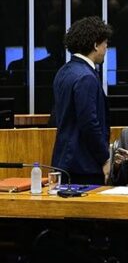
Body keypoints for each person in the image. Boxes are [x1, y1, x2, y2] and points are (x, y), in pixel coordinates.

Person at [51, 16, 111, 184]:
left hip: (64, 161)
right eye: (105, 43)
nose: (106, 48)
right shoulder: (86, 77)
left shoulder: (63, 71)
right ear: (95, 45)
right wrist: (105, 158)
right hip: (84, 165)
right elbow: (89, 123)